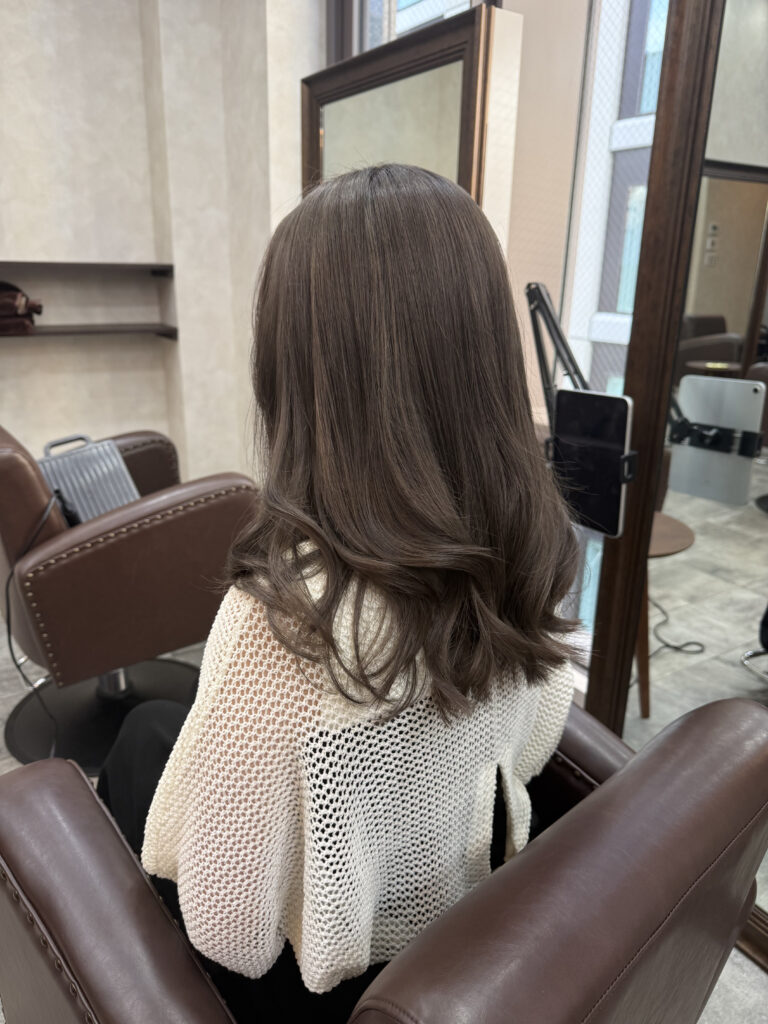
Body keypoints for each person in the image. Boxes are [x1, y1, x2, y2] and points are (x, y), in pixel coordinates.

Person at [98, 163, 579, 1021]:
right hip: (463, 905)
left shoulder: (288, 622)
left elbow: (232, 933)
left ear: (296, 374)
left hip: (331, 986)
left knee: (138, 744)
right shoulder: (538, 542)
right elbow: (532, 750)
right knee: (157, 727)